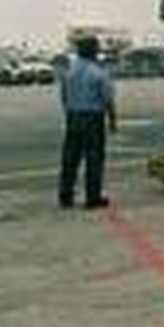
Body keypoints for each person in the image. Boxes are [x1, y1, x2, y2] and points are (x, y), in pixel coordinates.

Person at [58, 35, 117, 209]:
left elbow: (64, 96)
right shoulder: (98, 72)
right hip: (92, 117)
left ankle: (65, 195)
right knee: (94, 157)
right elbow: (107, 99)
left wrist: (70, 111)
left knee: (70, 158)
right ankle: (93, 197)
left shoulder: (69, 72)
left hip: (73, 116)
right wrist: (112, 119)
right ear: (94, 51)